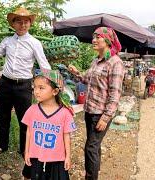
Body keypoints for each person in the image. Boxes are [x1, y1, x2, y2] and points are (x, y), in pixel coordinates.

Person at [0, 7, 52, 179]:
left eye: (26, 21)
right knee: (3, 116)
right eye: (18, 21)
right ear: (13, 24)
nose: (22, 24)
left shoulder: (35, 43)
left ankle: (24, 149)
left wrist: (52, 84)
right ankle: (3, 145)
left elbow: (44, 65)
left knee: (25, 120)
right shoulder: (7, 41)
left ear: (30, 23)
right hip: (5, 83)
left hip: (23, 86)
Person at [68, 27, 125, 180]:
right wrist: (75, 72)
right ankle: (94, 172)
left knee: (90, 148)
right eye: (93, 37)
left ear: (107, 41)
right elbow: (86, 79)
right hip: (90, 110)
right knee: (94, 146)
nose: (93, 40)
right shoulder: (96, 61)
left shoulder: (115, 63)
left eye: (97, 37)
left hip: (100, 113)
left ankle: (91, 177)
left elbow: (115, 94)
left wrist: (106, 117)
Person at [23, 70, 76, 180]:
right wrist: (27, 152)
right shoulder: (32, 110)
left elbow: (66, 137)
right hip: (35, 156)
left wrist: (68, 157)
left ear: (55, 91)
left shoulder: (65, 114)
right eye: (35, 87)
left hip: (57, 159)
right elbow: (29, 132)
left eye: (41, 88)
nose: (36, 91)